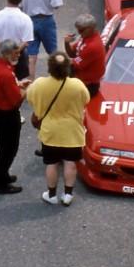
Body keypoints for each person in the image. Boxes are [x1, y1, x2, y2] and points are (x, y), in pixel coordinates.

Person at [27, 52, 89, 206]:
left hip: (50, 132)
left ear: (49, 67)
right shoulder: (77, 85)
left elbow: (30, 98)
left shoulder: (39, 84)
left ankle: (51, 195)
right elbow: (86, 99)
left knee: (52, 163)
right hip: (72, 132)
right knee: (70, 163)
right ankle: (68, 194)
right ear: (67, 68)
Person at [0, 40, 31, 195]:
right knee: (9, 150)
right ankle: (1, 182)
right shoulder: (6, 73)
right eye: (16, 53)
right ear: (7, 53)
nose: (18, 55)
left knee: (2, 148)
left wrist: (17, 85)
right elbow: (16, 100)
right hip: (8, 116)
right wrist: (25, 90)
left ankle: (2, 174)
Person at [17, 0, 63, 81]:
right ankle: (56, 80)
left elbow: (19, 3)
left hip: (29, 20)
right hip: (46, 20)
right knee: (53, 54)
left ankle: (30, 85)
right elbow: (57, 4)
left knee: (31, 55)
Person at [65, 13, 105, 96]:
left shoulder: (93, 46)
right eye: (78, 30)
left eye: (81, 30)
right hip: (81, 82)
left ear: (90, 29)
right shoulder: (85, 38)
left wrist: (58, 62)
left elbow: (74, 63)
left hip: (87, 86)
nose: (79, 33)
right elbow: (72, 54)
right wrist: (66, 43)